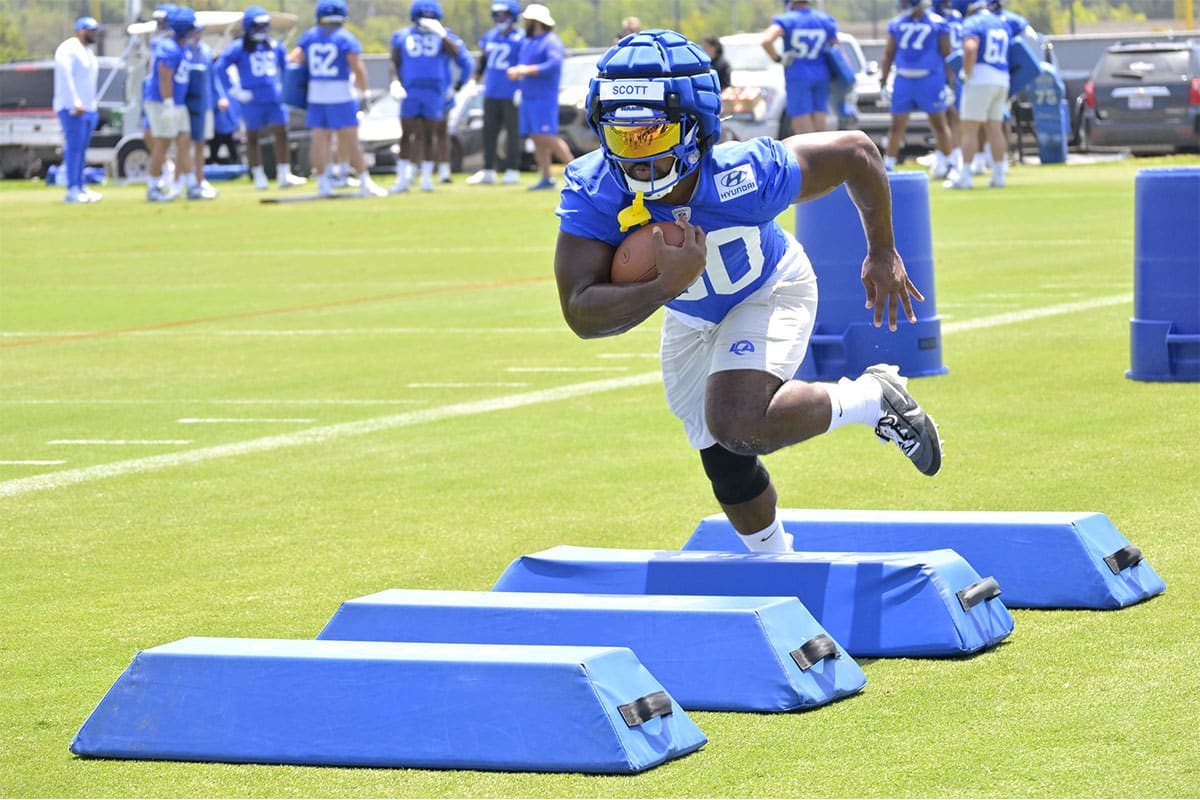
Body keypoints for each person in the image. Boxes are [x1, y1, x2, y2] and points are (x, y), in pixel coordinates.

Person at [552, 30, 942, 553]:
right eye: (623, 139)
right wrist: (665, 284)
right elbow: (580, 311)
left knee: (740, 422)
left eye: (652, 137)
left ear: (696, 126)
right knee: (723, 461)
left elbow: (856, 151)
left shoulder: (745, 173)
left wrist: (882, 251)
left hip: (769, 287)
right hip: (690, 313)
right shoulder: (596, 188)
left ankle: (872, 397)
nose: (637, 161)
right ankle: (775, 561)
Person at [289, 0, 386, 198]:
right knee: (351, 138)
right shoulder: (345, 37)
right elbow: (357, 67)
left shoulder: (310, 36)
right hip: (340, 93)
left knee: (319, 139)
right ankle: (364, 181)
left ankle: (323, 182)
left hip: (316, 93)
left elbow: (294, 60)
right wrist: (365, 91)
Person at [217, 5, 306, 190]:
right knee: (252, 137)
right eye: (258, 26)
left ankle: (284, 173)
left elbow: (286, 68)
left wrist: (288, 88)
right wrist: (235, 91)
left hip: (274, 96)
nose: (261, 30)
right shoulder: (238, 47)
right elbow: (219, 67)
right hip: (252, 98)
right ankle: (258, 175)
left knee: (282, 133)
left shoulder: (274, 46)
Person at [389, 0, 463, 193]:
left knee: (430, 134)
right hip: (411, 89)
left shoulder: (442, 35)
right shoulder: (402, 35)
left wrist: (441, 33)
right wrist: (395, 82)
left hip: (433, 89)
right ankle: (402, 177)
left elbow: (457, 53)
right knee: (407, 133)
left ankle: (427, 176)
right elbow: (394, 61)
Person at [878, 0, 956, 178]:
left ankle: (950, 163)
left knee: (939, 124)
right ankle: (888, 165)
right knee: (897, 125)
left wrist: (949, 81)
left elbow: (946, 52)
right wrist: (883, 79)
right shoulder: (897, 23)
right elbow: (888, 53)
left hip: (929, 78)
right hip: (904, 78)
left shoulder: (937, 23)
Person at [506, 3, 573, 190]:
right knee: (536, 137)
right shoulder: (528, 42)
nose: (524, 23)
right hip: (528, 97)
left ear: (536, 22)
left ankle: (576, 171)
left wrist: (525, 70)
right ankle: (546, 176)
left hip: (543, 98)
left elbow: (553, 64)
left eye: (527, 20)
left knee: (546, 136)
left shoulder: (550, 41)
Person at [944, 0, 1009, 189]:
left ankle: (965, 175)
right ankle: (999, 175)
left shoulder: (973, 23)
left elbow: (970, 48)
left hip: (980, 78)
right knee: (994, 127)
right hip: (1001, 77)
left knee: (969, 128)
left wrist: (966, 71)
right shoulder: (1000, 22)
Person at [761, 0, 842, 134]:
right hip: (822, 74)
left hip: (797, 74)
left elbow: (766, 41)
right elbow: (838, 49)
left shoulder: (786, 20)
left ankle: (809, 154)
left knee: (802, 125)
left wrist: (778, 58)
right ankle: (821, 153)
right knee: (820, 122)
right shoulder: (824, 19)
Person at [466, 0, 524, 186]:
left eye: (503, 14)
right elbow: (482, 61)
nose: (500, 18)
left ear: (512, 16)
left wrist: (522, 88)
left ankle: (513, 169)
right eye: (497, 15)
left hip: (511, 91)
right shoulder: (489, 36)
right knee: (489, 131)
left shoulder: (520, 37)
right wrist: (473, 81)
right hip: (491, 91)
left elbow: (524, 62)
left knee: (512, 133)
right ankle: (488, 169)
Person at [144, 5, 198, 202]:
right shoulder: (168, 47)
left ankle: (192, 185)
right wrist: (168, 103)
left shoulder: (183, 47)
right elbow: (164, 77)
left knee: (184, 140)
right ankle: (152, 186)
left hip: (177, 101)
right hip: (162, 101)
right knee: (163, 142)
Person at [53, 16, 102, 204]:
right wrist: (75, 102)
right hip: (72, 108)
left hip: (89, 108)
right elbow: (66, 77)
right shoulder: (69, 49)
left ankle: (80, 186)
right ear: (80, 30)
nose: (94, 33)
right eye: (90, 30)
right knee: (74, 148)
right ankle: (72, 188)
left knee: (81, 149)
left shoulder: (88, 51)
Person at [181, 22, 222, 199]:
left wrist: (219, 97)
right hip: (187, 104)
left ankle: (200, 179)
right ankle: (185, 180)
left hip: (204, 103)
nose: (198, 34)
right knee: (184, 143)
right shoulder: (184, 51)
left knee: (200, 144)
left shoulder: (205, 50)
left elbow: (213, 78)